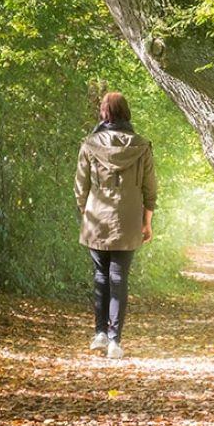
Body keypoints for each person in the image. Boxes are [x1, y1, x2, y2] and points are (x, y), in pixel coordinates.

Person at [74, 92, 157, 359]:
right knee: (119, 278)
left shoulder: (89, 145)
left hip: (96, 218)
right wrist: (147, 222)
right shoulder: (142, 146)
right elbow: (150, 189)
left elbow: (80, 188)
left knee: (101, 275)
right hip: (128, 219)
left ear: (104, 113)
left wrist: (85, 212)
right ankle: (114, 341)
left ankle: (99, 332)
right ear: (126, 112)